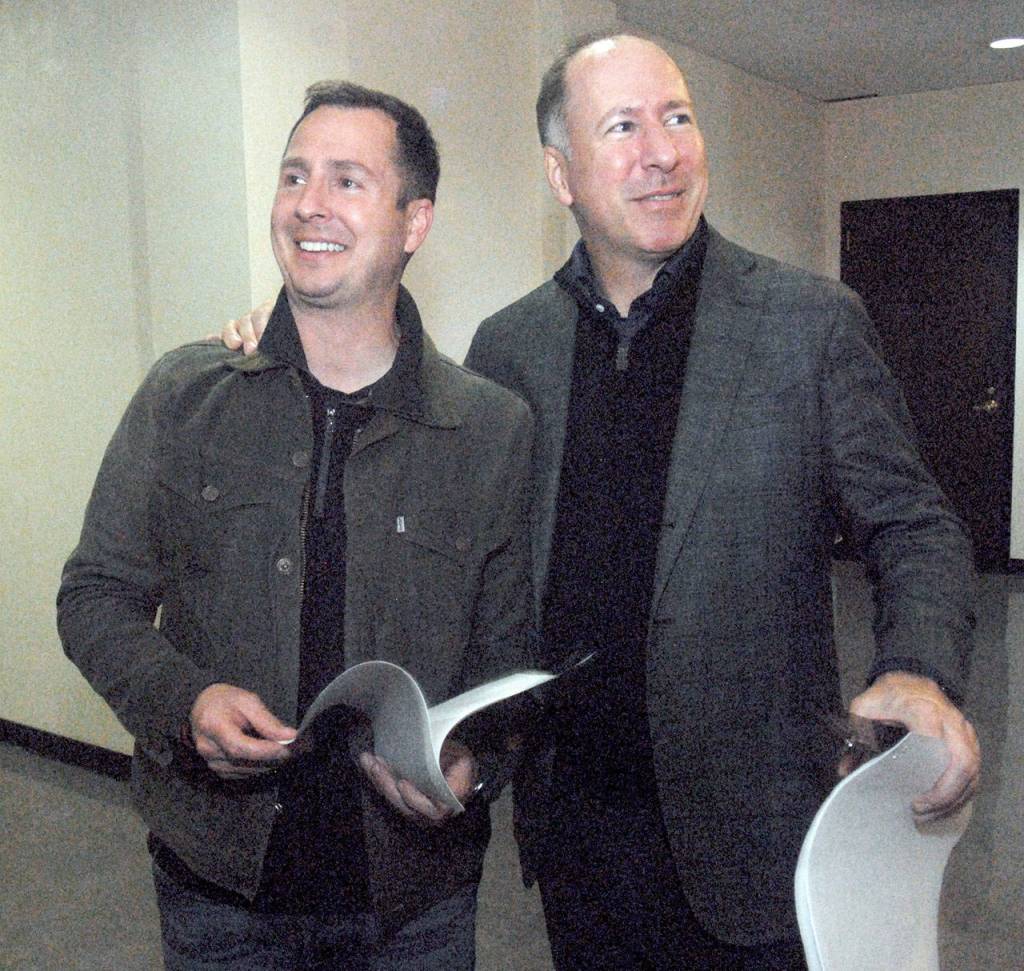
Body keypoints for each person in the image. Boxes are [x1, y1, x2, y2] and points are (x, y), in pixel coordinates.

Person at [223, 36, 980, 970]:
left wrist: (920, 668)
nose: (661, 151)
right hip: (577, 843)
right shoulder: (511, 350)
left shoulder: (806, 326)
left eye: (678, 118)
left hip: (754, 847)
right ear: (561, 171)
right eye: (622, 126)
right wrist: (282, 332)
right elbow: (477, 571)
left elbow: (915, 524)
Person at [57, 81, 534, 971]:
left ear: (414, 220)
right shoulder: (184, 395)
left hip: (415, 904)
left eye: (348, 180)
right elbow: (94, 598)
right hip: (219, 890)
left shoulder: (489, 429)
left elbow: (508, 663)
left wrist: (472, 764)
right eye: (293, 175)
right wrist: (184, 701)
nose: (309, 204)